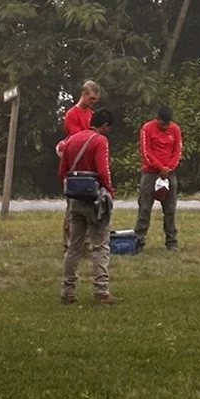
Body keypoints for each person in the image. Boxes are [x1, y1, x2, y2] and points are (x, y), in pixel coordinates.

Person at [59, 104, 116, 305]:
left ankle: (67, 291)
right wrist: (110, 190)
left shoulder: (72, 140)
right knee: (100, 245)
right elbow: (103, 170)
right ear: (105, 126)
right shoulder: (100, 141)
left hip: (74, 200)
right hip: (94, 200)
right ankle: (101, 291)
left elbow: (62, 170)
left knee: (74, 247)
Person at [135, 104, 182, 251]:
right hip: (150, 173)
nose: (165, 127)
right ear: (157, 119)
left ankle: (171, 242)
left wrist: (168, 168)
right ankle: (139, 241)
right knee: (144, 208)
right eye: (162, 124)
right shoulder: (147, 129)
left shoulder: (175, 129)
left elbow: (177, 151)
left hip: (169, 173)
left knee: (170, 209)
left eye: (167, 124)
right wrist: (159, 167)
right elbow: (146, 151)